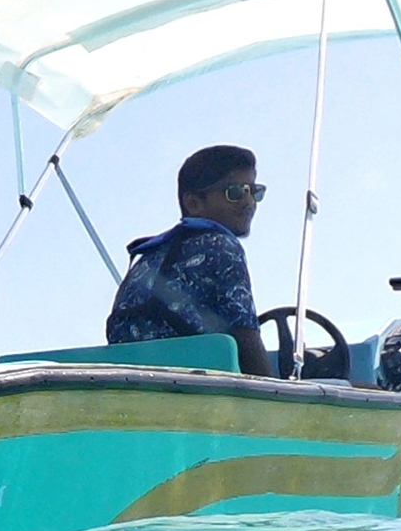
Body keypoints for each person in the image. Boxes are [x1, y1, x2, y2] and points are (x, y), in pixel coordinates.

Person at [106, 145, 275, 377]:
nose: (248, 202)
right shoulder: (221, 246)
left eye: (254, 191)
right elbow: (245, 335)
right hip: (191, 386)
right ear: (194, 203)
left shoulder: (148, 256)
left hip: (129, 381)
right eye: (234, 192)